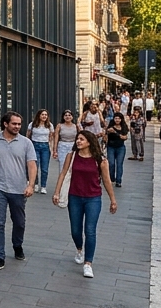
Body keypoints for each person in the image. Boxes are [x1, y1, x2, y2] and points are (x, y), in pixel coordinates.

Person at [0, 111, 38, 271]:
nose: (17, 127)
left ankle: (17, 245)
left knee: (19, 222)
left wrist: (31, 185)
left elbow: (32, 165)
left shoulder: (26, 143)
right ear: (5, 124)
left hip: (19, 189)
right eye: (14, 124)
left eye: (19, 124)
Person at [51, 130, 118, 278]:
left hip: (93, 198)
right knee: (75, 230)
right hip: (74, 197)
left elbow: (106, 181)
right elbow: (63, 173)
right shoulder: (72, 156)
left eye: (81, 139)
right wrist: (56, 192)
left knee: (90, 230)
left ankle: (88, 263)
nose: (78, 141)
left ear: (89, 141)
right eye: (77, 139)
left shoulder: (100, 160)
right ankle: (79, 248)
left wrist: (113, 200)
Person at [27, 109, 54, 194]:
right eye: (42, 114)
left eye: (46, 115)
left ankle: (43, 186)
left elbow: (51, 137)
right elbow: (28, 135)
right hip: (35, 145)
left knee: (44, 168)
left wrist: (52, 149)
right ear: (39, 115)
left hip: (45, 146)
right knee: (35, 166)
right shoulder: (32, 124)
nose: (44, 116)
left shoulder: (49, 125)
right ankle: (35, 184)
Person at [105, 113, 130, 187]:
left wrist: (115, 133)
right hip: (111, 147)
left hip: (120, 147)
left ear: (121, 119)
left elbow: (124, 137)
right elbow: (105, 135)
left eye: (119, 118)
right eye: (116, 118)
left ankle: (118, 181)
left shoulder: (123, 127)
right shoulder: (110, 126)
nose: (117, 120)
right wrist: (107, 132)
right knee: (111, 163)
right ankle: (112, 178)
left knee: (119, 164)